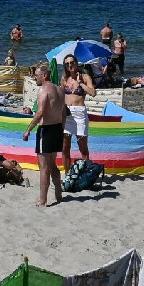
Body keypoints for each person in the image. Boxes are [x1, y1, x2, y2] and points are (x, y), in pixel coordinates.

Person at [23, 64, 65, 206]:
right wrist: (62, 128)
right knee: (52, 164)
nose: (34, 77)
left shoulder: (43, 89)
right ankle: (58, 194)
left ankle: (43, 200)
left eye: (36, 75)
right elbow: (63, 112)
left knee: (44, 167)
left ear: (44, 76)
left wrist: (28, 129)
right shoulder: (59, 90)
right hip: (57, 128)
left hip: (46, 130)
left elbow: (40, 112)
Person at [59, 54, 95, 173]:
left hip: (80, 114)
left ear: (76, 63)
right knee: (65, 147)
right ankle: (67, 174)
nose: (70, 65)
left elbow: (93, 93)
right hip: (67, 115)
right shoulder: (64, 78)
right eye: (67, 64)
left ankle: (85, 174)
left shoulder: (85, 77)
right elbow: (61, 95)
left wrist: (81, 84)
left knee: (83, 147)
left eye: (72, 62)